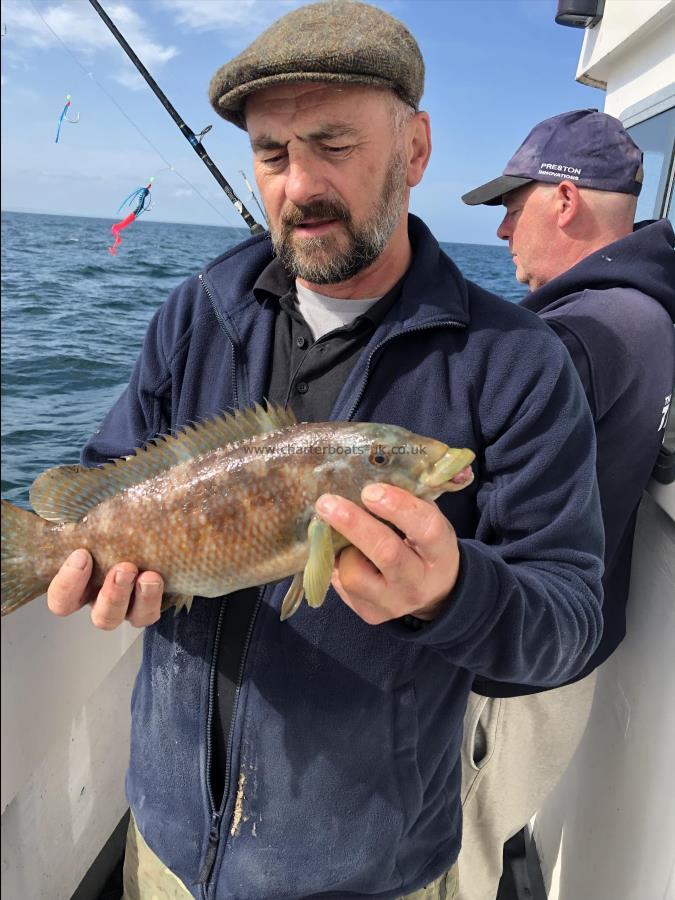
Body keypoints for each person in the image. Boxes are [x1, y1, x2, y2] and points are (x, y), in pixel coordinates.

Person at [45, 5, 605, 899]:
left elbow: (567, 619)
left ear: (415, 150)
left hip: (365, 872)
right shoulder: (195, 312)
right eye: (272, 153)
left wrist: (450, 592)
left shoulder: (517, 364)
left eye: (334, 144)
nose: (298, 183)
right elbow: (108, 470)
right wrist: (96, 570)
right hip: (164, 847)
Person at [460, 108, 675, 900]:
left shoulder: (581, 335)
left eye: (512, 206)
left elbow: (460, 489)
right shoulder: (645, 312)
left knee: (452, 866)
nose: (503, 231)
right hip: (564, 657)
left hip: (508, 677)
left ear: (562, 200)